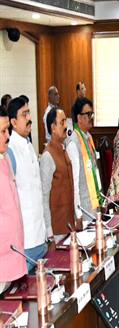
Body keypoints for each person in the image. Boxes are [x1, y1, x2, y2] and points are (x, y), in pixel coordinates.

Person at [6, 96, 47, 271]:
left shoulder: (29, 145)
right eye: (24, 114)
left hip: (40, 236)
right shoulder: (10, 151)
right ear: (13, 122)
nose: (30, 118)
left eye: (29, 113)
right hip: (25, 242)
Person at [40, 107, 78, 243]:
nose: (66, 126)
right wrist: (49, 234)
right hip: (57, 232)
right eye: (62, 122)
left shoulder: (63, 150)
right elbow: (44, 198)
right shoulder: (47, 156)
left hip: (69, 227)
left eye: (65, 121)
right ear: (53, 127)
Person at [0, 107, 27, 288]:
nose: (8, 136)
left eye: (7, 130)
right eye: (3, 131)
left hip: (14, 253)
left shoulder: (5, 158)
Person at [66, 97, 102, 219]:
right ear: (79, 118)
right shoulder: (73, 143)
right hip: (84, 209)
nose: (91, 117)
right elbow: (74, 183)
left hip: (95, 204)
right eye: (88, 114)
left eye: (92, 113)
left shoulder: (89, 137)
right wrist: (78, 215)